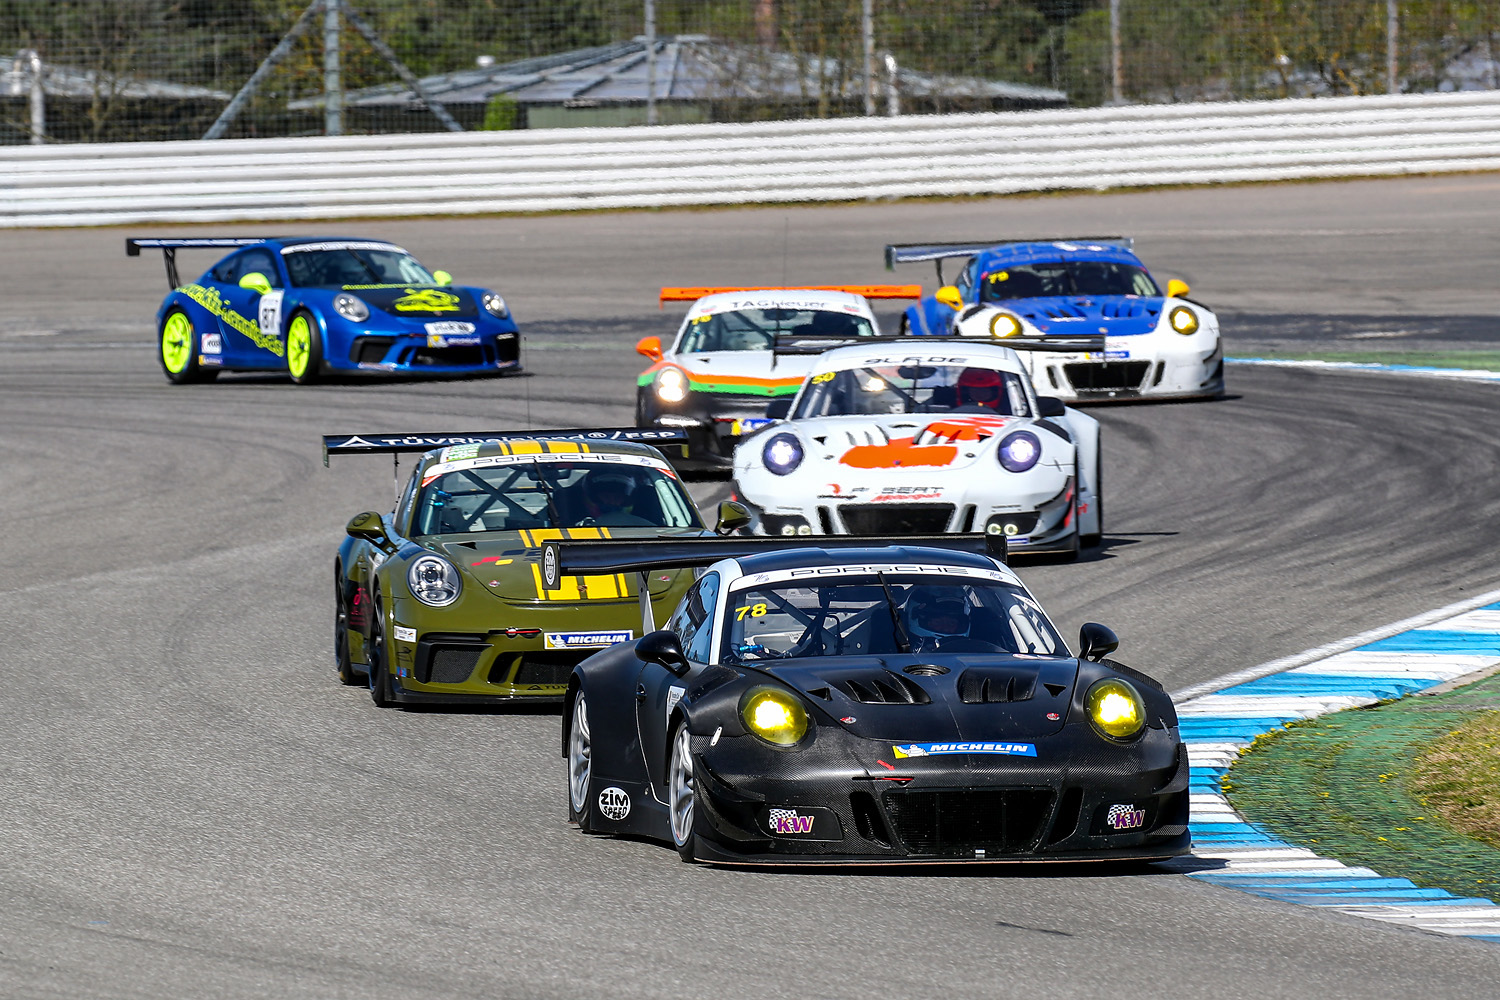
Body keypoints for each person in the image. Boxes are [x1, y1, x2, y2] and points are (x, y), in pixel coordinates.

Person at [573, 469, 652, 527]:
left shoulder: (648, 527)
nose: (612, 502)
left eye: (618, 497)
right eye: (606, 496)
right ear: (592, 497)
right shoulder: (567, 529)